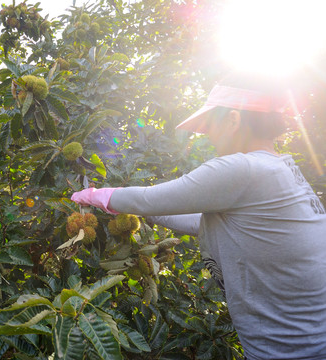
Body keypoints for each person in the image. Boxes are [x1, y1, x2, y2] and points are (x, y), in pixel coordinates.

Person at [71, 73, 326, 360]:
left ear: (233, 120)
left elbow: (150, 197)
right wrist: (153, 215)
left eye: (210, 125)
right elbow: (205, 224)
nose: (207, 134)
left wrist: (97, 196)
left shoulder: (241, 168)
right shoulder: (279, 169)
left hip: (294, 351)